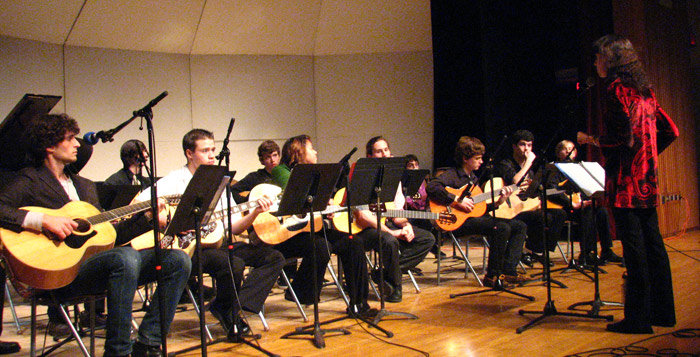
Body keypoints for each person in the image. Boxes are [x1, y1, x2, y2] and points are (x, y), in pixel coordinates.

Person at [0, 113, 190, 357]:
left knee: (177, 260)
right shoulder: (29, 180)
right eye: (70, 138)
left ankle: (148, 342)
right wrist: (43, 220)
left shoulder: (85, 186)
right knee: (125, 258)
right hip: (59, 275)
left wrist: (148, 218)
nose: (78, 144)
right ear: (49, 146)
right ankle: (118, 351)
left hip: (98, 268)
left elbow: (111, 235)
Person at [136, 129, 285, 339]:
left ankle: (231, 306)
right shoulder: (174, 180)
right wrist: (163, 218)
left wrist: (255, 213)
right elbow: (139, 202)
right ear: (189, 153)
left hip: (217, 242)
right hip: (188, 247)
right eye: (205, 150)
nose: (212, 155)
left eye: (213, 150)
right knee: (232, 263)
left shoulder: (219, 183)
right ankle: (229, 311)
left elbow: (233, 227)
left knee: (273, 257)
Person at [577, 34, 678, 334]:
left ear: (609, 59)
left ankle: (638, 319)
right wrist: (646, 156)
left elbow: (621, 138)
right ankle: (663, 313)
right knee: (654, 246)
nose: (595, 63)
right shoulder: (645, 91)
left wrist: (589, 140)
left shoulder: (616, 91)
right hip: (648, 180)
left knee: (634, 250)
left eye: (597, 58)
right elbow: (670, 130)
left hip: (625, 183)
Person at [269, 135, 374, 315]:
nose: (316, 151)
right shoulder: (281, 171)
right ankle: (302, 293)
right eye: (311, 148)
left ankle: (359, 304)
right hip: (288, 234)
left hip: (313, 228)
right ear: (299, 151)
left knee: (353, 242)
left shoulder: (316, 174)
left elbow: (315, 201)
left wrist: (328, 206)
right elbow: (298, 196)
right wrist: (324, 202)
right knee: (321, 245)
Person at [427, 136, 529, 286]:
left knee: (520, 226)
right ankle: (492, 276)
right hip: (455, 222)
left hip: (472, 219)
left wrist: (499, 201)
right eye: (477, 158)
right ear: (465, 158)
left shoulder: (474, 178)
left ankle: (508, 271)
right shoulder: (453, 174)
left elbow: (478, 209)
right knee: (500, 227)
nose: (481, 162)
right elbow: (432, 187)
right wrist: (457, 200)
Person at [353, 136, 435, 303]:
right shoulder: (362, 178)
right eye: (378, 151)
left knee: (427, 238)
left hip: (386, 222)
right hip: (364, 228)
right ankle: (395, 287)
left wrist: (405, 225)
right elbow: (363, 216)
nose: (384, 154)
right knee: (390, 241)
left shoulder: (393, 178)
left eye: (386, 150)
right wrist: (393, 232)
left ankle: (383, 273)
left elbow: (395, 212)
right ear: (370, 157)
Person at [495, 130, 567, 268]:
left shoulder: (532, 168)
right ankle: (529, 251)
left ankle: (536, 251)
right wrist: (529, 163)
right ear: (514, 146)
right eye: (522, 145)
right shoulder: (506, 163)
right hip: (509, 209)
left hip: (525, 205)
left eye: (529, 145)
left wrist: (535, 187)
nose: (526, 149)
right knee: (541, 218)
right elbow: (514, 181)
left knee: (559, 214)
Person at [550, 140, 622, 266]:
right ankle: (586, 253)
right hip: (564, 207)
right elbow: (551, 190)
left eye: (571, 149)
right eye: (564, 148)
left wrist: (587, 199)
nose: (568, 151)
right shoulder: (554, 169)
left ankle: (606, 250)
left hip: (580, 204)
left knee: (602, 211)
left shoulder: (578, 168)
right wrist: (571, 203)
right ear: (558, 152)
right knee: (587, 212)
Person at [404, 155, 444, 261]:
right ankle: (411, 253)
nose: (415, 168)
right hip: (408, 213)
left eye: (416, 165)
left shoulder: (422, 181)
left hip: (421, 211)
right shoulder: (402, 181)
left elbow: (425, 197)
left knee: (433, 218)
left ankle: (432, 247)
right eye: (410, 166)